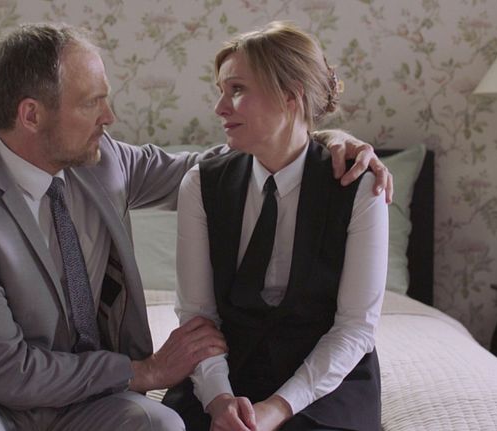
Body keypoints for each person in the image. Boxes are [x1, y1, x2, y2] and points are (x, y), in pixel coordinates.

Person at [0, 22, 391, 431]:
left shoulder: (102, 160)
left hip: (81, 389)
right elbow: (6, 372)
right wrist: (144, 372)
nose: (110, 116)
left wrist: (323, 140)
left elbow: (239, 162)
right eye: (91, 102)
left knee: (164, 426)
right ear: (31, 115)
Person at [163, 21, 389, 431]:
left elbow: (354, 327)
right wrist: (219, 400)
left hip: (326, 378)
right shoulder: (201, 183)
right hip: (228, 367)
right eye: (221, 91)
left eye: (237, 89)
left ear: (290, 96)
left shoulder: (360, 187)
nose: (219, 108)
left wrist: (277, 409)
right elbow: (198, 316)